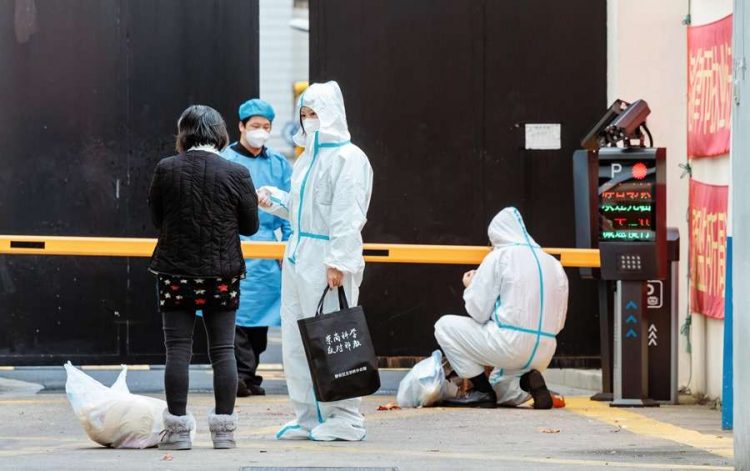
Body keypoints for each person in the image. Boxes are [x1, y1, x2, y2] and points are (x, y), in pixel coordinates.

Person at [256, 81, 373, 441]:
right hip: (298, 256)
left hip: (326, 260)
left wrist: (338, 260)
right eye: (304, 115)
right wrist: (275, 200)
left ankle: (346, 417)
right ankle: (308, 414)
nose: (308, 122)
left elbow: (346, 214)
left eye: (314, 115)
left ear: (332, 115)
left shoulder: (349, 158)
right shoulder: (308, 158)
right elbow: (302, 208)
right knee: (296, 340)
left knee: (334, 338)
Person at [148, 105, 259, 450]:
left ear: (184, 134)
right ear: (222, 133)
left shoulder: (166, 169)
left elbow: (157, 219)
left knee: (177, 350)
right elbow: (250, 226)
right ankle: (224, 432)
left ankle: (179, 431)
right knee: (223, 350)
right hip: (222, 273)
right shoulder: (236, 172)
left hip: (175, 272)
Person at [434, 207, 569, 409]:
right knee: (503, 391)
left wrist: (470, 286)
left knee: (444, 326)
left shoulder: (500, 256)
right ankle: (526, 382)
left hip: (509, 344)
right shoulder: (554, 264)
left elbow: (478, 312)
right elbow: (559, 323)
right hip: (544, 351)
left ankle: (481, 391)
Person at [222, 99, 292, 397]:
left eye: (266, 127)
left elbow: (291, 208)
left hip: (267, 252)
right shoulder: (225, 161)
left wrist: (288, 246)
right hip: (232, 245)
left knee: (260, 321)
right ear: (240, 126)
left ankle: (247, 376)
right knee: (234, 316)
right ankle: (240, 375)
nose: (260, 132)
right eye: (254, 127)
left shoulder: (278, 164)